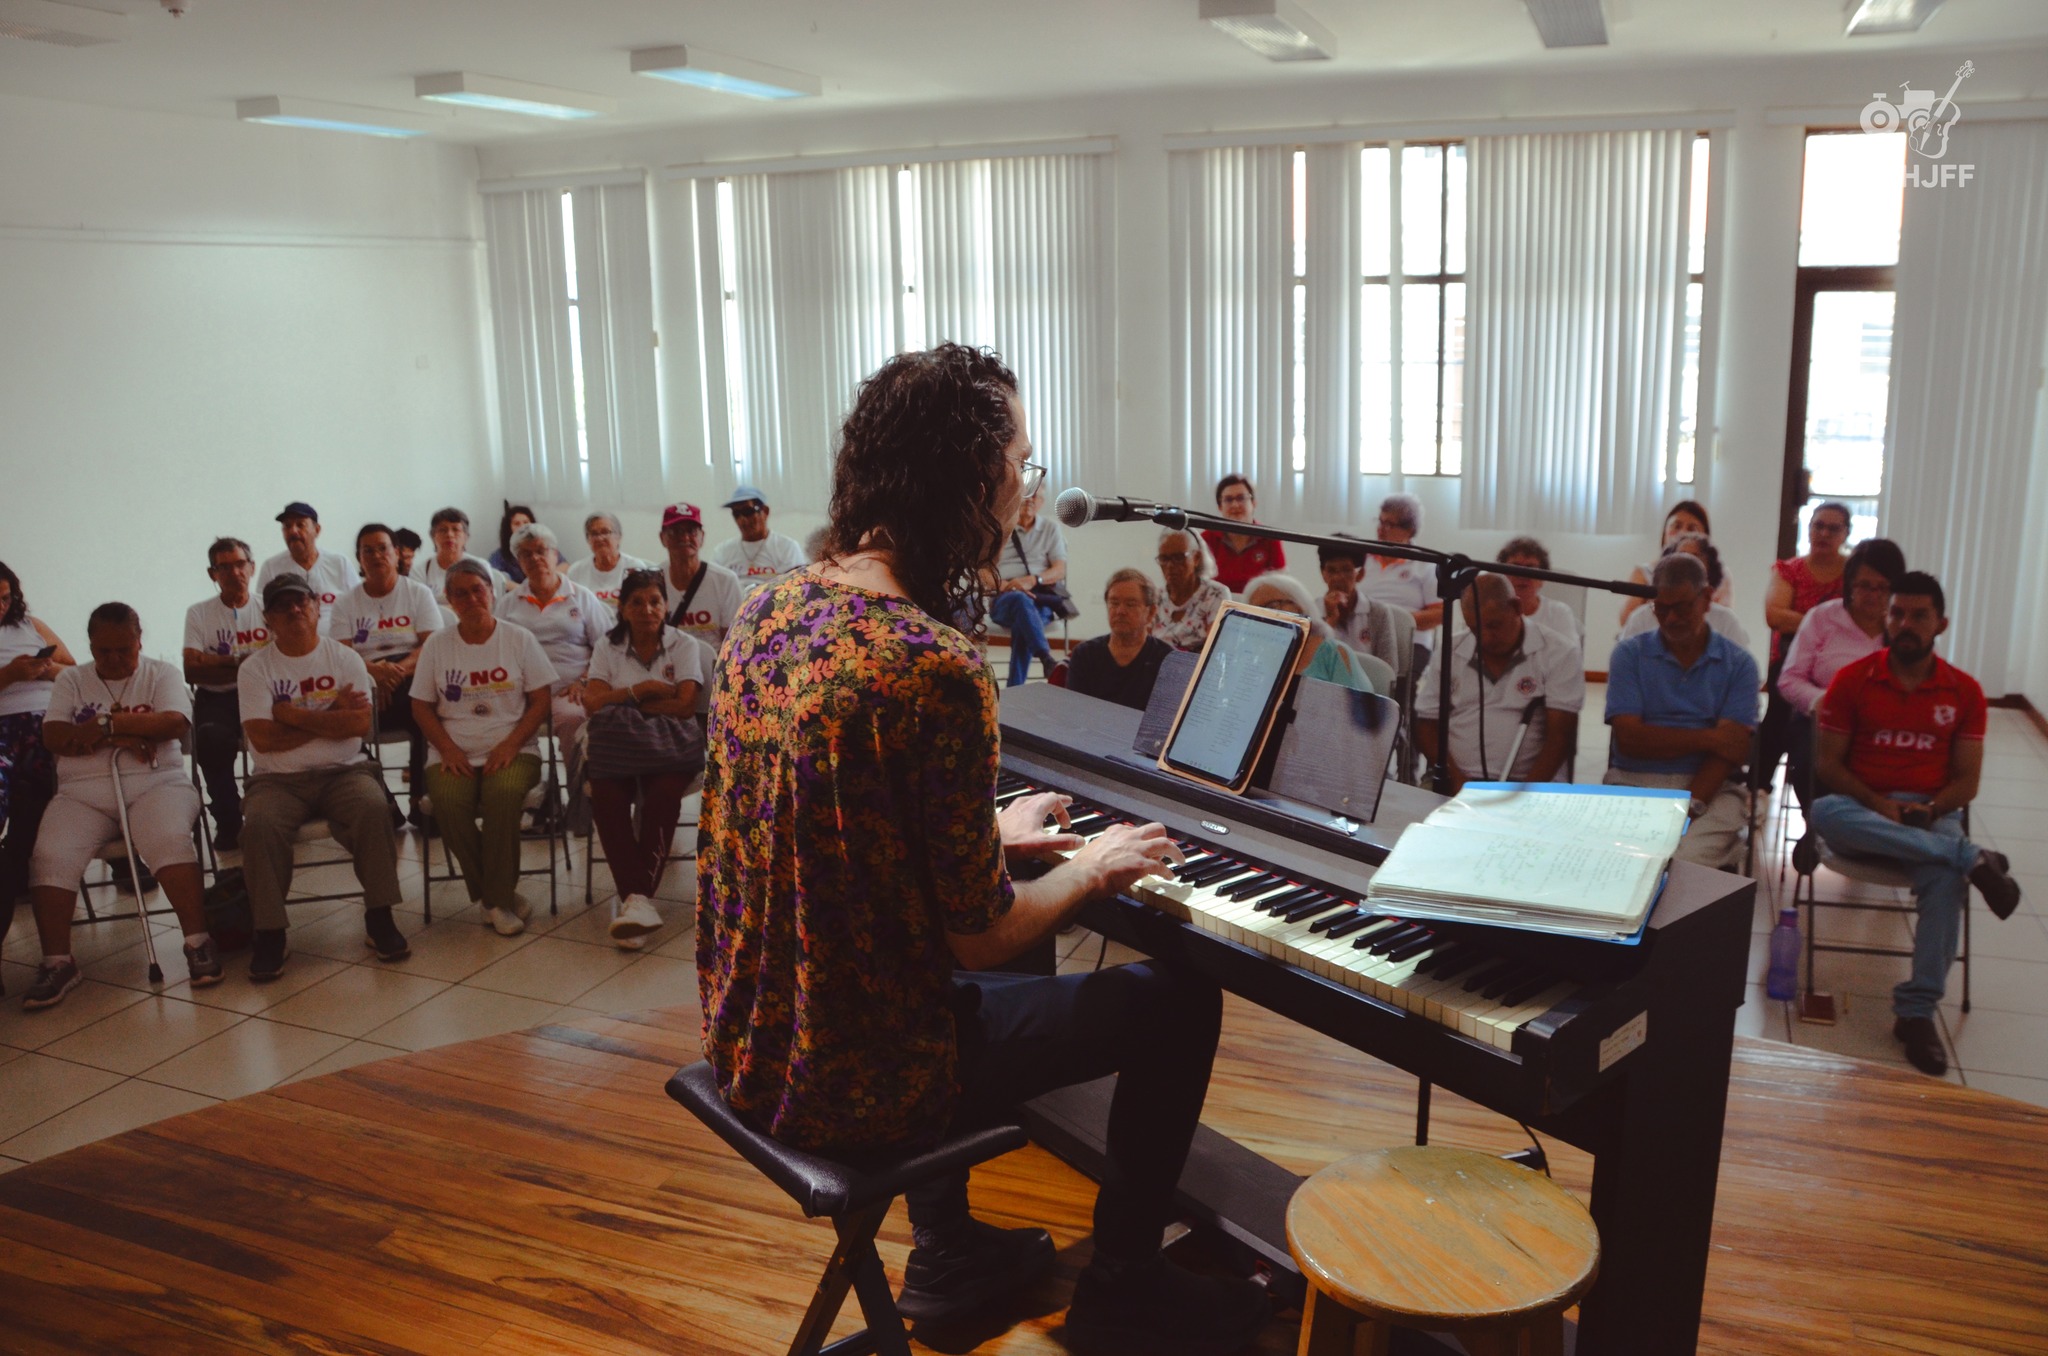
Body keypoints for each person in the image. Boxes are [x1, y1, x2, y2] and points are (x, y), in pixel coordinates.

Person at [698, 343, 1269, 1351]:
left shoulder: (771, 608)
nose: (1024, 488)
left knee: (988, 939)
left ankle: (948, 1250)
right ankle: (1124, 1288)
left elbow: (847, 834)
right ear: (969, 477)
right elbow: (980, 940)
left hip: (752, 1033)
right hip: (853, 1075)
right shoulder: (934, 668)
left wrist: (982, 834)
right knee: (1176, 1000)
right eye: (1019, 463)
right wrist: (1091, 866)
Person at [1809, 571, 2022, 1076]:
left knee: (1943, 879)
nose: (1905, 624)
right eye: (1897, 614)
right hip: (1862, 810)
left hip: (1931, 814)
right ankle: (1972, 859)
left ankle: (1916, 1014)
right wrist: (1876, 802)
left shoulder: (1964, 691)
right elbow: (1827, 767)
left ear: (1940, 623)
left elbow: (1966, 781)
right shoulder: (1853, 680)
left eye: (1918, 615)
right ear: (1886, 619)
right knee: (1824, 811)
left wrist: (1932, 809)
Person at [22, 603, 219, 1010]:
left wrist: (104, 729)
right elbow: (55, 736)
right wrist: (117, 731)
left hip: (156, 784)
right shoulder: (72, 680)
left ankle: (198, 943)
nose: (112, 659)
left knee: (167, 837)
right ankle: (58, 962)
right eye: (102, 651)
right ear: (90, 645)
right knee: (50, 854)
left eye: (122, 651)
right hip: (84, 793)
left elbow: (173, 724)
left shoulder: (161, 672)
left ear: (139, 643)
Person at [240, 572, 411, 980]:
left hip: (345, 771)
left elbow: (357, 727)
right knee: (258, 826)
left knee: (374, 807)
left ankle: (379, 916)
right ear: (268, 619)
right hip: (278, 780)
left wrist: (292, 715)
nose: (295, 610)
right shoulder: (255, 668)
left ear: (317, 608)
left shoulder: (345, 658)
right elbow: (264, 740)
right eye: (283, 606)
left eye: (302, 602)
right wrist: (330, 712)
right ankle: (270, 932)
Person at [413, 560, 558, 937]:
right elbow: (421, 705)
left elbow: (541, 699)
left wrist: (511, 744)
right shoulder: (437, 645)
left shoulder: (518, 639)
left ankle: (493, 899)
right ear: (449, 600)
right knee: (447, 802)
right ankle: (501, 899)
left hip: (514, 748)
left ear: (493, 593)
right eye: (460, 593)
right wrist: (447, 750)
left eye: (478, 589)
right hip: (452, 751)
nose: (471, 598)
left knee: (503, 795)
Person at [1604, 553, 1760, 870]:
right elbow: (1630, 739)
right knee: (1628, 862)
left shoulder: (1739, 664)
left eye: (1682, 607)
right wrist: (1711, 738)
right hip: (1632, 784)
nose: (1672, 619)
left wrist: (1688, 808)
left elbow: (1730, 752)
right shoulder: (1629, 655)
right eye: (1662, 609)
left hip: (1712, 791)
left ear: (1706, 600)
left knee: (1684, 863)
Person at [582, 569, 706, 949]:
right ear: (622, 608)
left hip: (670, 748)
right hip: (619, 748)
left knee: (661, 799)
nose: (647, 609)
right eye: (636, 602)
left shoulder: (683, 644)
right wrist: (646, 689)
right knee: (606, 796)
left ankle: (635, 902)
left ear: (666, 605)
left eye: (655, 601)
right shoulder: (607, 645)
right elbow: (592, 701)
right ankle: (639, 900)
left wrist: (623, 699)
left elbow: (686, 706)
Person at [1415, 575, 1583, 790]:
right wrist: (1457, 781)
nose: (1484, 638)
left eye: (1494, 626)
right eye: (1475, 629)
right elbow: (1427, 723)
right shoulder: (1451, 649)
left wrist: (1523, 796)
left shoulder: (1560, 652)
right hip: (1454, 779)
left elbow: (1561, 737)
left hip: (1530, 785)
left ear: (1516, 608)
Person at [1777, 538, 1905, 808]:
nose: (1873, 595)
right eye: (1864, 586)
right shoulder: (1822, 618)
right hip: (1824, 724)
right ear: (1849, 584)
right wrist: (1820, 701)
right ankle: (1823, 831)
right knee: (1813, 765)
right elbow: (1789, 679)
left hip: (1887, 728)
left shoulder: (1904, 628)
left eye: (1883, 588)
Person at [329, 524, 439, 821]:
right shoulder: (345, 603)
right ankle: (384, 804)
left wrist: (394, 673)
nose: (376, 555)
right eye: (368, 550)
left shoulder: (418, 593)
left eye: (383, 548)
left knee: (425, 712)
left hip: (410, 673)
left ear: (397, 554)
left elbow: (431, 646)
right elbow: (341, 654)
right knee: (340, 723)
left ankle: (422, 801)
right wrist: (373, 676)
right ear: (359, 559)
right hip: (363, 676)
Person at [0, 563, 73, 967]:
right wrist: (9, 675)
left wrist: (44, 670)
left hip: (44, 724)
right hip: (2, 728)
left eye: (6, 597)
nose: (1, 606)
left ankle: (119, 859)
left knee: (65, 783)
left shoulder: (31, 625)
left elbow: (77, 672)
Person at [182, 537, 271, 850]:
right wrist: (241, 661)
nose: (235, 572)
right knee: (210, 739)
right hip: (217, 698)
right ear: (212, 574)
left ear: (252, 567)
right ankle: (229, 821)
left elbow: (280, 661)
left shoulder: (267, 608)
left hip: (265, 693)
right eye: (225, 567)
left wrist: (215, 661)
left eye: (240, 564)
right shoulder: (199, 614)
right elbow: (192, 670)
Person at [496, 522, 608, 767]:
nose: (535, 558)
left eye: (541, 551)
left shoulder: (582, 597)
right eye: (526, 554)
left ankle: (578, 794)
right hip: (520, 693)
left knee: (572, 719)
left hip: (569, 689)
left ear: (554, 555)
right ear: (518, 561)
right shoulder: (508, 604)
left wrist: (585, 681)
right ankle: (525, 789)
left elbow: (606, 649)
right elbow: (497, 652)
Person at [1758, 501, 1853, 786]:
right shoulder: (1790, 570)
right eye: (1818, 526)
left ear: (1846, 534)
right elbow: (1774, 615)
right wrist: (1825, 625)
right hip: (1792, 662)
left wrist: (1804, 623)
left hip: (1840, 664)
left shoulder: (1854, 573)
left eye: (1833, 528)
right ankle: (1758, 787)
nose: (1823, 533)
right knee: (1778, 713)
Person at [1244, 572, 1388, 694]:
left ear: (1300, 606)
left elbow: (1360, 716)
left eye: (1272, 606)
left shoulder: (1333, 653)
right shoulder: (1248, 657)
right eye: (1255, 610)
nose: (1264, 616)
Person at [986, 483, 1070, 686]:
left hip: (1040, 600)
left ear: (1041, 503)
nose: (1030, 500)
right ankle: (1045, 657)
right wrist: (1009, 586)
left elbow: (1059, 569)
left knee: (1023, 621)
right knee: (1020, 600)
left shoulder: (1050, 529)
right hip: (1005, 598)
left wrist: (1033, 580)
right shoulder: (999, 527)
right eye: (1026, 495)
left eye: (1036, 497)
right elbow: (982, 572)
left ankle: (1015, 688)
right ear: (1016, 498)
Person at [1616, 535, 1751, 650]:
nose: (1686, 565)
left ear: (1710, 571)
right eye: (1680, 556)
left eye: (1695, 558)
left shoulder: (1725, 622)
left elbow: (1742, 670)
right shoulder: (1642, 619)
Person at [1067, 570, 1174, 711]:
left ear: (1151, 612)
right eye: (1114, 603)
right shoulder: (1085, 654)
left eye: (1130, 604)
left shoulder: (1167, 660)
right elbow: (1073, 713)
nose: (1120, 611)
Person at [654, 503, 745, 661]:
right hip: (666, 668)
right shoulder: (653, 580)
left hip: (713, 668)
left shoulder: (725, 581)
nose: (684, 538)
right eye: (676, 531)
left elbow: (734, 641)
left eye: (691, 531)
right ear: (662, 538)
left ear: (702, 537)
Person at [1619, 500, 1731, 624]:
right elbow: (1626, 620)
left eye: (1692, 528)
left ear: (1704, 536)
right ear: (1664, 532)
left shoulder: (1721, 575)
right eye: (1676, 526)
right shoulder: (1644, 572)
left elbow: (1721, 622)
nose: (1682, 533)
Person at [1317, 538, 1413, 681]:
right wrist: (1330, 622)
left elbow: (1388, 670)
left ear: (1360, 574)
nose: (1338, 578)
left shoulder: (1378, 613)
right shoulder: (1312, 611)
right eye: (1331, 570)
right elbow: (1310, 665)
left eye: (1346, 570)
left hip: (1368, 691)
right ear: (1323, 574)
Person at [256, 501, 360, 631]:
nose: (293, 531)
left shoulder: (339, 563)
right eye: (287, 526)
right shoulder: (271, 567)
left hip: (338, 643)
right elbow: (263, 613)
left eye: (300, 525)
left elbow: (359, 604)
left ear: (317, 530)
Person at [412, 506, 502, 624]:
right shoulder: (420, 571)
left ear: (466, 537)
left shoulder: (480, 566)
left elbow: (488, 603)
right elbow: (418, 610)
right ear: (433, 536)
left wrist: (442, 608)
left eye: (455, 529)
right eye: (443, 530)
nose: (449, 535)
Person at [1199, 474, 1284, 594]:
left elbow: (1281, 585)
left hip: (1258, 608)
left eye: (1241, 498)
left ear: (1253, 503)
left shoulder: (1270, 538)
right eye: (1228, 500)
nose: (1235, 505)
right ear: (1219, 506)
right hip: (1217, 608)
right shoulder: (1206, 539)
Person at [1494, 536, 1584, 650]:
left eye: (1530, 569)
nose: (1522, 576)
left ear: (1542, 578)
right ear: (1502, 575)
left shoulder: (1559, 613)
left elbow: (1572, 657)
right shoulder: (1490, 612)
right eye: (1515, 568)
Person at [710, 485, 806, 589]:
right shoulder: (723, 552)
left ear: (765, 511)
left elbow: (796, 588)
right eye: (736, 514)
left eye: (748, 512)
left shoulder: (787, 548)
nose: (742, 520)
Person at [1152, 527, 1230, 650]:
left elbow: (1215, 648)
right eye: (1164, 559)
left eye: (1178, 558)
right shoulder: (1154, 597)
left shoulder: (1215, 594)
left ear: (1196, 558)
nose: (1170, 565)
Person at [564, 511, 650, 617]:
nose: (600, 538)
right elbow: (571, 610)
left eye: (605, 532)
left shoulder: (635, 568)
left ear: (619, 537)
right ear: (588, 540)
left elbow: (643, 608)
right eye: (594, 534)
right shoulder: (576, 571)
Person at [490, 502, 536, 585]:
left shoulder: (543, 546)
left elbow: (564, 565)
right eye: (517, 524)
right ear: (509, 528)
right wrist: (523, 591)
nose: (522, 527)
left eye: (526, 522)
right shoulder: (500, 555)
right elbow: (493, 576)